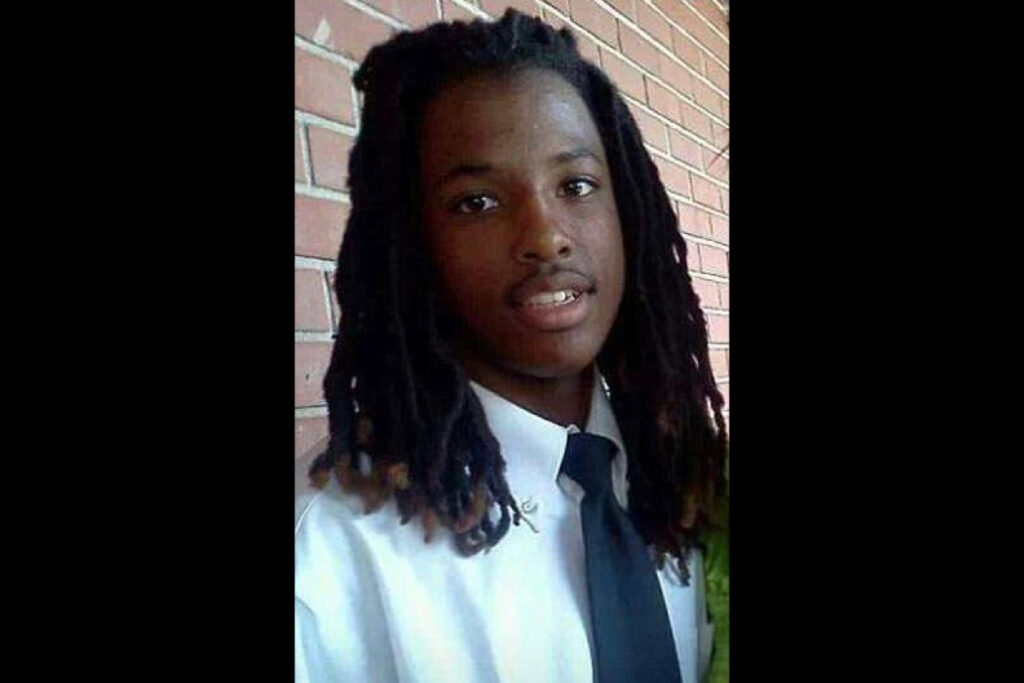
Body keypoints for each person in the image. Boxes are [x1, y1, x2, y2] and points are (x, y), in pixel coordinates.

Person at [295, 9, 729, 683]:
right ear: (413, 244)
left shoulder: (692, 486)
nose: (546, 235)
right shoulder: (329, 551)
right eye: (477, 202)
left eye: (576, 185)